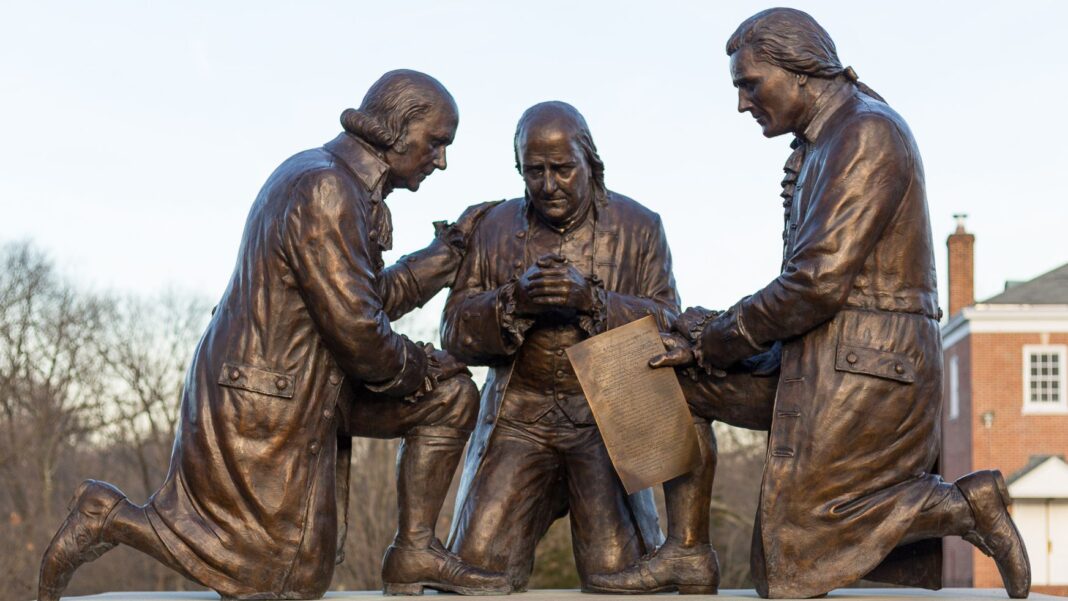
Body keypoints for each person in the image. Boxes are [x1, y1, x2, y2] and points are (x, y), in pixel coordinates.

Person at [592, 8, 1030, 599]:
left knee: (793, 557)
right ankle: (687, 552)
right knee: (644, 370)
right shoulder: (823, 141)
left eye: (750, 84)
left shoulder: (866, 132)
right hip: (818, 350)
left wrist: (716, 337)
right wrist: (703, 338)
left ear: (800, 71)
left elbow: (816, 283)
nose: (743, 104)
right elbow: (807, 288)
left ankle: (960, 506)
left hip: (870, 367)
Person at [38, 69, 510, 600]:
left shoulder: (336, 182)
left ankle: (414, 551)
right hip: (263, 403)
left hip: (311, 389)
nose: (441, 160)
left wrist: (445, 255)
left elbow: (363, 298)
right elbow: (360, 335)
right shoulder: (326, 189)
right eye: (437, 142)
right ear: (399, 130)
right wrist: (425, 364)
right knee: (274, 578)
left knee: (449, 398)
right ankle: (110, 517)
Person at [441, 101, 685, 591]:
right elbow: (453, 330)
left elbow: (670, 324)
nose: (549, 185)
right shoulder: (492, 228)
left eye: (562, 168)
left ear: (590, 162)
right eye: (534, 171)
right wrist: (515, 301)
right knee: (474, 575)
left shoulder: (640, 226)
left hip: (606, 422)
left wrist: (590, 299)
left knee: (619, 577)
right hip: (517, 418)